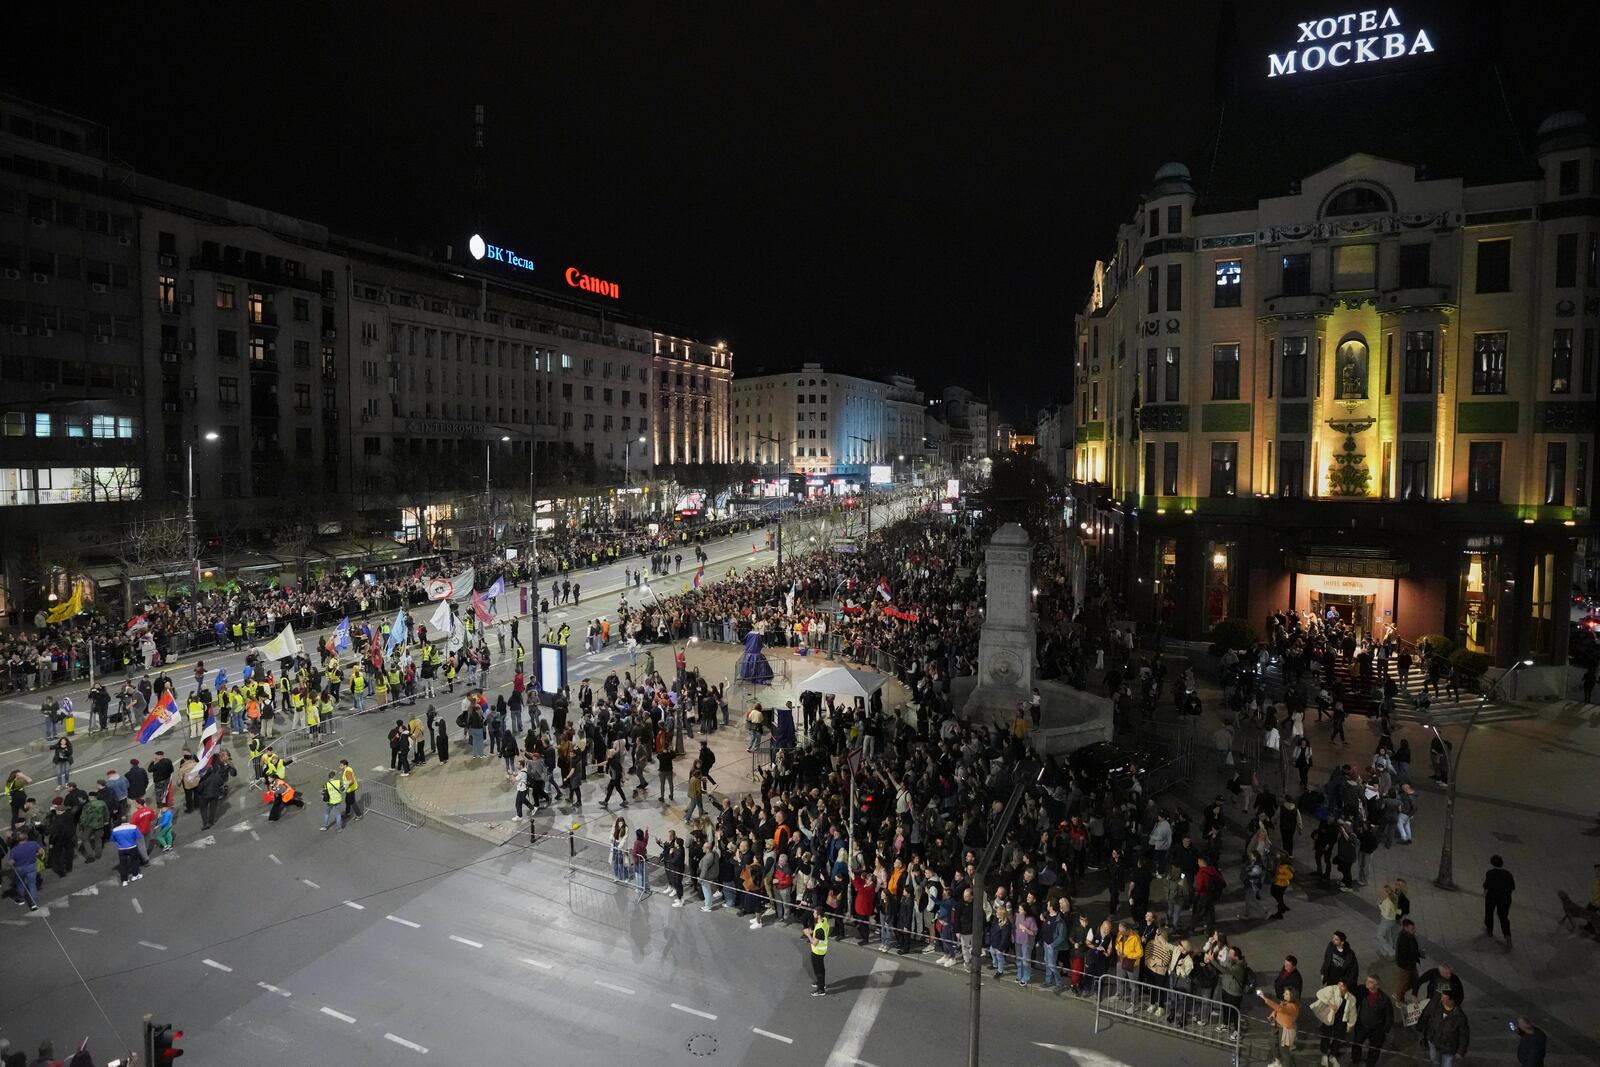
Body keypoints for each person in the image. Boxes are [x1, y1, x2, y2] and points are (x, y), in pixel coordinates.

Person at [1348, 975, 1395, 1067]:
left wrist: (1386, 1029)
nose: (1367, 982)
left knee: (1374, 1048)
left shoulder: (1384, 999)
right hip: (1361, 1025)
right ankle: (1355, 1060)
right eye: (1367, 980)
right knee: (1357, 1044)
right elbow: (1351, 990)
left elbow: (1389, 1016)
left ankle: (1370, 1063)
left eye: (1370, 981)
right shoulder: (1362, 992)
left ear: (1377, 985)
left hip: (1377, 1029)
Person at [1310, 979, 1356, 1066]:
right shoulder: (1332, 989)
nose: (1339, 987)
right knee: (1326, 1035)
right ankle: (1324, 1054)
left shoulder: (1351, 998)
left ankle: (1333, 1055)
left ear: (1346, 987)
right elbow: (1319, 993)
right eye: (1339, 984)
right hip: (1329, 1017)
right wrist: (1329, 1003)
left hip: (1341, 1020)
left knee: (1338, 1037)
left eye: (1342, 985)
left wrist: (1350, 1024)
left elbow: (1353, 1012)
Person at [1416, 992, 1469, 1067]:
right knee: (1435, 1061)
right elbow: (1425, 1014)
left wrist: (1461, 1051)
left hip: (1448, 1048)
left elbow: (1464, 1035)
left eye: (1444, 998)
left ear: (1451, 1000)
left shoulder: (1459, 1017)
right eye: (1442, 997)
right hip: (1434, 1042)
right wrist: (1420, 1028)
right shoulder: (1436, 1006)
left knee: (1446, 1064)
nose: (1441, 999)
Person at [1257, 987, 1300, 1067]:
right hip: (1276, 1026)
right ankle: (1277, 1062)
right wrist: (1273, 1014)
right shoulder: (1285, 1002)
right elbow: (1279, 1009)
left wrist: (1264, 997)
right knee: (1272, 1043)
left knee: (1284, 1050)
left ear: (1292, 996)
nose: (1284, 994)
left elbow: (1280, 1008)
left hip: (1285, 1030)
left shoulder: (1293, 1007)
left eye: (1286, 994)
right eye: (1285, 992)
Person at [1482, 854, 1515, 946]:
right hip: (1505, 899)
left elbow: (1486, 885)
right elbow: (1512, 887)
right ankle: (1508, 937)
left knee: (1489, 914)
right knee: (1503, 917)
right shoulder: (1508, 874)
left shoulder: (1490, 873)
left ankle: (1489, 931)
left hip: (1492, 897)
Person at [805, 909, 830, 996]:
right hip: (822, 951)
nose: (813, 913)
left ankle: (821, 990)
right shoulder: (824, 920)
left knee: (818, 970)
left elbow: (815, 943)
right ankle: (820, 983)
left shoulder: (820, 928)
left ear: (819, 915)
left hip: (818, 952)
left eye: (814, 912)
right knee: (821, 969)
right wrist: (812, 932)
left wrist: (808, 934)